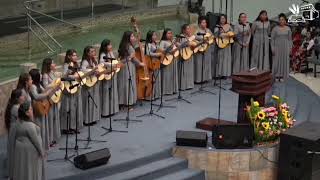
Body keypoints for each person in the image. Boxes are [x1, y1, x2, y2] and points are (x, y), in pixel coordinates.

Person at [13, 102, 45, 180]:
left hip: (20, 150)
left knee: (22, 168)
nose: (32, 110)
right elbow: (36, 141)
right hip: (30, 152)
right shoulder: (30, 126)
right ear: (26, 113)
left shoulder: (18, 123)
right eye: (30, 109)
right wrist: (42, 152)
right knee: (30, 170)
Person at [29, 68, 55, 150]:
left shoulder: (38, 84)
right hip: (37, 109)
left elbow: (44, 91)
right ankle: (40, 145)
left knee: (44, 126)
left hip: (42, 106)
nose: (41, 75)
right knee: (39, 127)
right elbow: (36, 96)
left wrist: (52, 87)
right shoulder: (33, 86)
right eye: (39, 74)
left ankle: (44, 143)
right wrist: (47, 93)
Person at [117, 31, 144, 106]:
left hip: (123, 66)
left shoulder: (123, 45)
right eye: (132, 36)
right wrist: (140, 63)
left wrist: (137, 33)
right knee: (128, 83)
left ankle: (123, 101)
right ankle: (129, 102)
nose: (133, 38)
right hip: (129, 66)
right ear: (128, 38)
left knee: (124, 83)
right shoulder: (129, 46)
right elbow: (133, 58)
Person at [60, 49, 83, 134]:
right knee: (68, 108)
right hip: (68, 88)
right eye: (73, 55)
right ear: (69, 56)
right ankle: (67, 127)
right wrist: (74, 76)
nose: (75, 57)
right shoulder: (66, 65)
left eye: (76, 55)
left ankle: (74, 126)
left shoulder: (77, 64)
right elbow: (64, 76)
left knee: (75, 107)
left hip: (76, 87)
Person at [5, 89, 26, 179]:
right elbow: (26, 118)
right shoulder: (16, 108)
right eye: (22, 96)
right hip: (16, 132)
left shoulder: (16, 106)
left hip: (16, 131)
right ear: (17, 98)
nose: (24, 97)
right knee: (15, 153)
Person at [41, 58, 61, 146]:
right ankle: (49, 140)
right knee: (50, 119)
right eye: (53, 63)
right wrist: (55, 83)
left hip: (55, 96)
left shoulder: (52, 73)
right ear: (48, 65)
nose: (55, 64)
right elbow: (45, 86)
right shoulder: (45, 75)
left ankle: (53, 137)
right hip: (49, 98)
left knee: (54, 117)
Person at [99, 39, 120, 116]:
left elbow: (114, 61)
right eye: (109, 45)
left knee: (112, 92)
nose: (111, 46)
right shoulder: (102, 54)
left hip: (112, 74)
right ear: (105, 46)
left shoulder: (111, 53)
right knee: (106, 94)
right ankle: (105, 112)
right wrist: (111, 65)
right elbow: (102, 63)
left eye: (111, 45)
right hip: (107, 75)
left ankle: (112, 109)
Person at [81, 46, 101, 125]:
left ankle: (93, 117)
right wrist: (93, 70)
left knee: (94, 99)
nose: (94, 53)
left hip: (94, 81)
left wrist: (98, 73)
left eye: (94, 51)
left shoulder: (94, 60)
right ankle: (87, 120)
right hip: (88, 83)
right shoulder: (85, 62)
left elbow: (97, 70)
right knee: (88, 101)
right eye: (92, 52)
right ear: (87, 53)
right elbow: (83, 73)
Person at [271, 13, 292, 81]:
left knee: (284, 61)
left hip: (285, 47)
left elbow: (290, 39)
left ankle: (283, 75)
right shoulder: (275, 29)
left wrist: (290, 48)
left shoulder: (288, 29)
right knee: (277, 61)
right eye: (280, 20)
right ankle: (277, 75)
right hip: (277, 47)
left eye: (282, 20)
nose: (281, 21)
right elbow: (272, 39)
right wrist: (272, 48)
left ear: (285, 21)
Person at [159, 28, 179, 95]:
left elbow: (175, 48)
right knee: (167, 75)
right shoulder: (163, 42)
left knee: (172, 74)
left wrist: (177, 45)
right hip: (166, 60)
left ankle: (173, 89)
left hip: (173, 59)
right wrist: (171, 47)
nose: (170, 34)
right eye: (168, 33)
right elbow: (161, 50)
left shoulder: (172, 41)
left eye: (171, 33)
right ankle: (166, 90)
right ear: (165, 34)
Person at [194, 16, 213, 83]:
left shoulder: (208, 30)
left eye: (205, 22)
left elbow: (212, 37)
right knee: (199, 64)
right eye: (203, 22)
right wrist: (203, 39)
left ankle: (205, 78)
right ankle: (199, 79)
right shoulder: (197, 30)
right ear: (199, 24)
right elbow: (195, 37)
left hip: (207, 48)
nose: (204, 24)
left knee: (206, 63)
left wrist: (209, 40)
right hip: (200, 49)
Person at [145, 30, 162, 99]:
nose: (155, 36)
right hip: (151, 62)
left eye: (155, 35)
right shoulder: (148, 44)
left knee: (157, 77)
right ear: (150, 37)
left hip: (156, 62)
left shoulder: (155, 43)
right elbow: (148, 53)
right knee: (152, 78)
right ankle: (151, 95)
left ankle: (156, 94)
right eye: (153, 35)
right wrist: (157, 54)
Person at [179, 24, 195, 90]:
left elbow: (194, 42)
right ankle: (183, 86)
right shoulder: (181, 36)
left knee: (190, 69)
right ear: (184, 30)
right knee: (184, 70)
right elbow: (185, 44)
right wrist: (190, 39)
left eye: (189, 29)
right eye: (187, 29)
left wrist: (190, 36)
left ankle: (189, 84)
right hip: (184, 54)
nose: (189, 30)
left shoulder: (190, 36)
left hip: (190, 53)